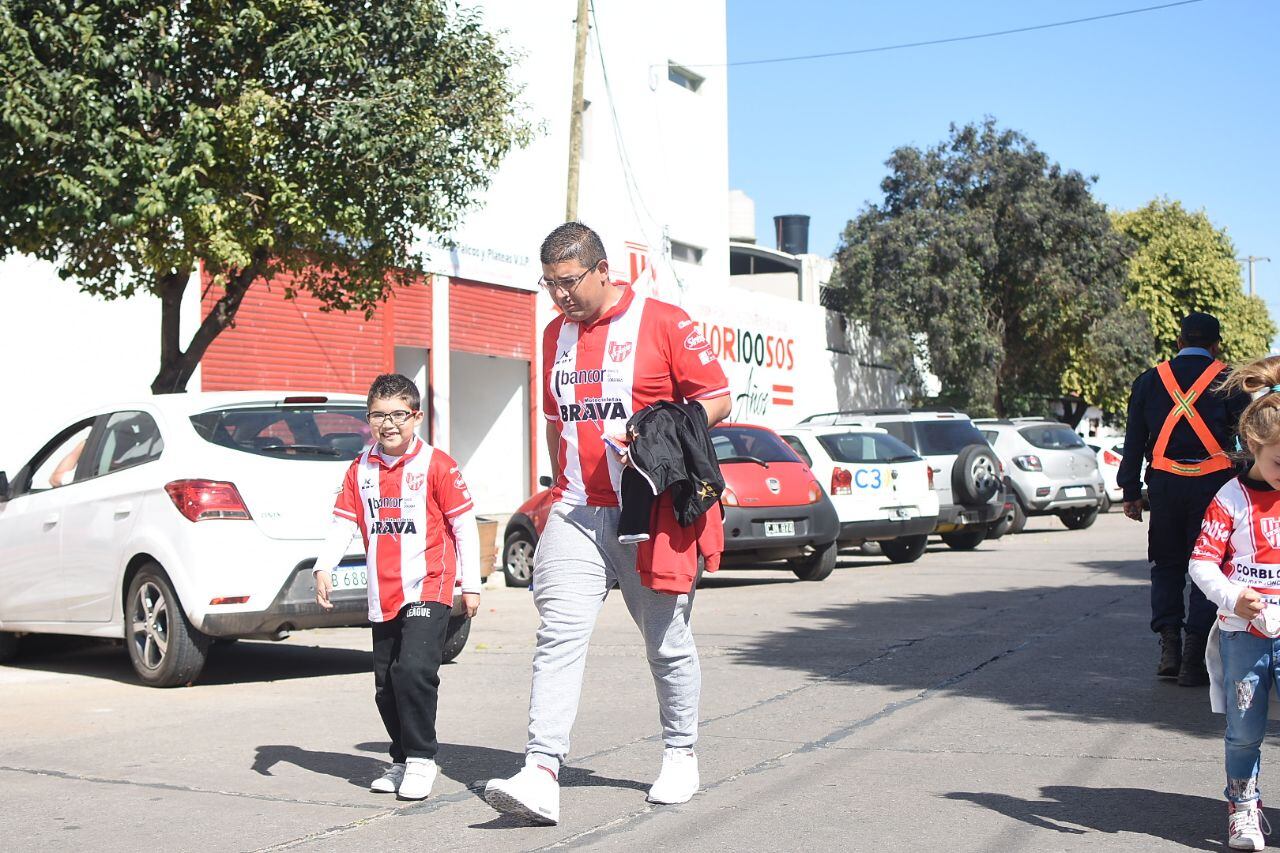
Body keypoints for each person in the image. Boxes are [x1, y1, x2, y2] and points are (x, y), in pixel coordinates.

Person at [482, 222, 731, 825]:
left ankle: (680, 752)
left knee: (666, 641)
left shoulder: (663, 321)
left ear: (601, 271)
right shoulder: (552, 336)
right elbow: (553, 419)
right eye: (549, 285)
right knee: (558, 637)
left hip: (650, 510)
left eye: (569, 282)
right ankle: (541, 771)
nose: (561, 296)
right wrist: (554, 490)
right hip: (574, 507)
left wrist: (663, 425)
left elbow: (719, 397)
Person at [312, 373, 481, 800]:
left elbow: (463, 526)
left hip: (429, 583)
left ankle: (423, 759)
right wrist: (323, 566)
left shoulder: (438, 465)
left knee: (415, 671)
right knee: (386, 683)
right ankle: (402, 758)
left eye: (399, 415)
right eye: (379, 416)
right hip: (382, 590)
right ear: (368, 419)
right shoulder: (360, 468)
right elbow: (343, 523)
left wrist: (471, 584)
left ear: (416, 417)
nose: (389, 425)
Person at [1120, 312, 1249, 686]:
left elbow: (1133, 441)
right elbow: (1251, 437)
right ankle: (1195, 656)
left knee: (1167, 565)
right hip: (1214, 490)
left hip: (1164, 487)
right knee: (1209, 566)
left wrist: (1130, 492)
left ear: (1179, 342)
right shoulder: (1230, 381)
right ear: (1216, 345)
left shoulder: (1149, 381)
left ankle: (1169, 647)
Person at [1188, 355, 1280, 850]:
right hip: (1243, 635)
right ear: (1253, 447)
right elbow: (1201, 564)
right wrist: (1232, 596)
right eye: (1279, 462)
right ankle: (1243, 807)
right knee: (1244, 731)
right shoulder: (1229, 497)